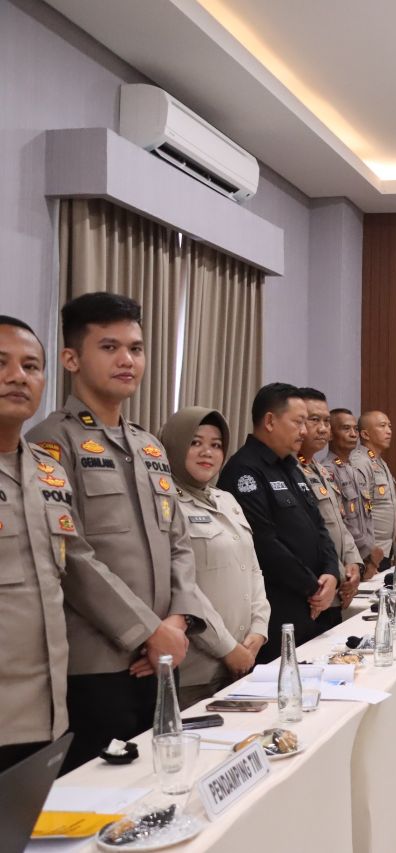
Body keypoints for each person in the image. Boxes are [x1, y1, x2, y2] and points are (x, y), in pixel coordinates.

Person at [27, 293, 226, 770]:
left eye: (135, 348)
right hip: (98, 663)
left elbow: (178, 541)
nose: (127, 360)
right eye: (109, 347)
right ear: (71, 359)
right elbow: (71, 554)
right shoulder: (51, 441)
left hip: (163, 657)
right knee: (102, 793)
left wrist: (176, 623)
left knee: (161, 780)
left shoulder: (149, 446)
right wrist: (146, 631)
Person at [0, 317, 156, 773]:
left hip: (45, 715)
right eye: (1, 364)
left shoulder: (45, 473)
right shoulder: (58, 441)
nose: (17, 376)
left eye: (31, 366)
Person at [159, 407, 269, 707]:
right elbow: (183, 587)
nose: (207, 452)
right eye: (195, 442)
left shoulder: (226, 499)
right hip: (196, 668)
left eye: (216, 445)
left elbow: (252, 569)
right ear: (174, 446)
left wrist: (259, 630)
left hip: (245, 658)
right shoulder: (165, 504)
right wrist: (227, 648)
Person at [219, 383, 339, 657]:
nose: (304, 431)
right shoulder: (244, 471)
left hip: (312, 605)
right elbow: (264, 544)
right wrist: (314, 587)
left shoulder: (291, 467)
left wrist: (332, 572)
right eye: (298, 422)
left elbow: (319, 526)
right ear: (270, 421)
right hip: (278, 610)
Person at [296, 389, 362, 620]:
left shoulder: (320, 470)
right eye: (315, 420)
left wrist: (354, 563)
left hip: (338, 586)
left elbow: (340, 524)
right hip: (316, 590)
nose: (323, 429)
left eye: (326, 422)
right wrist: (338, 573)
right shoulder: (292, 472)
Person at [324, 408, 377, 580]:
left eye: (355, 429)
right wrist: (368, 551)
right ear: (331, 434)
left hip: (367, 560)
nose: (353, 434)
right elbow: (341, 520)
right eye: (346, 429)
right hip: (348, 560)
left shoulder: (354, 470)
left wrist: (371, 553)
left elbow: (367, 515)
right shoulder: (328, 471)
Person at [351, 410, 396, 571]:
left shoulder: (379, 462)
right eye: (382, 426)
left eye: (389, 426)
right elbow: (357, 513)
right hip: (370, 552)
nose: (389, 431)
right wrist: (367, 553)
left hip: (385, 549)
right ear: (365, 434)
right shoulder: (360, 462)